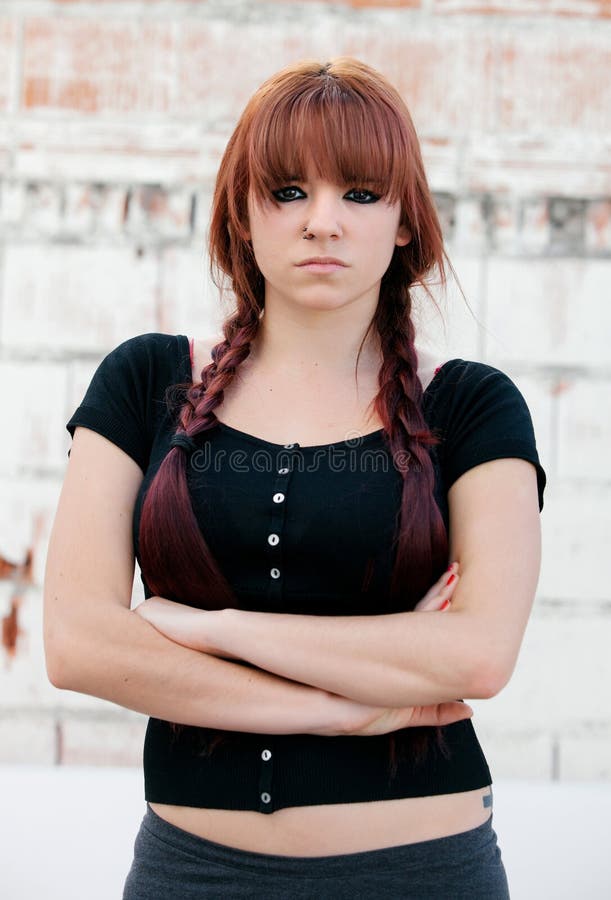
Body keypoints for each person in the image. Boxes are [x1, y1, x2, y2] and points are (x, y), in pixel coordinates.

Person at [43, 57, 546, 898]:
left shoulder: (471, 405)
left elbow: (478, 654)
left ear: (404, 221)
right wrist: (341, 709)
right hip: (189, 873)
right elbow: (78, 644)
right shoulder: (144, 381)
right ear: (241, 215)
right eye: (287, 192)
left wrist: (212, 628)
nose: (322, 223)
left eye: (360, 193)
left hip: (421, 873)